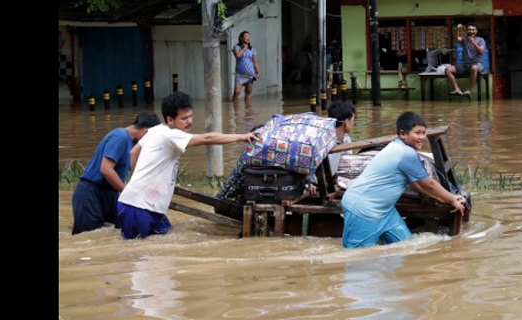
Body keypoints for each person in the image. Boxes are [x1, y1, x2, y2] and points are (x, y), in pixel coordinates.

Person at [116, 91, 257, 239]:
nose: (189, 121)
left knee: (162, 243)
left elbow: (133, 153)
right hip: (137, 207)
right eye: (184, 118)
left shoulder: (156, 130)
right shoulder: (172, 135)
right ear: (170, 120)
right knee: (138, 255)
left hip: (149, 206)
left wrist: (140, 179)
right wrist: (242, 136)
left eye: (190, 116)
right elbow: (207, 138)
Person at [340, 111, 465, 248]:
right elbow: (428, 183)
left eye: (424, 133)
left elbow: (417, 184)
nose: (422, 137)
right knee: (356, 257)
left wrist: (444, 198)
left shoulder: (399, 147)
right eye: (417, 133)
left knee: (407, 247)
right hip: (363, 210)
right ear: (403, 134)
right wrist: (452, 199)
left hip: (384, 211)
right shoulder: (406, 154)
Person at [215, 101, 356, 205]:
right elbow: (300, 160)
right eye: (353, 119)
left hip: (311, 182)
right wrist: (307, 184)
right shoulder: (321, 138)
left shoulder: (342, 138)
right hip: (299, 182)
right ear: (347, 121)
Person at [71, 112, 161, 235]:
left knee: (126, 229)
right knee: (87, 237)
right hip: (90, 193)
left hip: (109, 193)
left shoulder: (131, 144)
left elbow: (135, 169)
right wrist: (128, 192)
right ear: (146, 131)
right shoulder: (120, 137)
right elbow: (106, 169)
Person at [445, 23, 486, 97]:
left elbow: (481, 51)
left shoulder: (480, 39)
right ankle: (457, 89)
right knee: (448, 69)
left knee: (474, 68)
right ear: (467, 31)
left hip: (476, 63)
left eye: (473, 30)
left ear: (476, 31)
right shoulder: (464, 39)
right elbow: (457, 39)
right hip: (465, 64)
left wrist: (473, 42)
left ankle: (468, 91)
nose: (471, 31)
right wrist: (458, 30)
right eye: (469, 30)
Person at [232, 31, 260, 102]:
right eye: (246, 36)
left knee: (248, 92)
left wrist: (257, 72)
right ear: (241, 38)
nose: (248, 38)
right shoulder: (237, 47)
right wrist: (245, 48)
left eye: (249, 36)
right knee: (236, 92)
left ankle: (248, 110)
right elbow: (238, 55)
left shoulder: (252, 49)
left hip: (250, 73)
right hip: (240, 74)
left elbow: (255, 61)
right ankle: (235, 110)